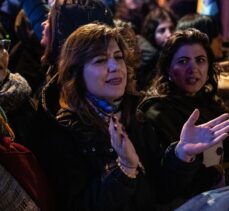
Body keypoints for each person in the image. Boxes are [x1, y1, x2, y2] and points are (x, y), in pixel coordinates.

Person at [30, 23, 229, 210]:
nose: (115, 66)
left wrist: (181, 154)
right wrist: (124, 170)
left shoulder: (134, 117)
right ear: (77, 74)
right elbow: (80, 205)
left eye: (118, 57)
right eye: (100, 60)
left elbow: (163, 190)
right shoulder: (63, 131)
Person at [138, 28, 229, 206]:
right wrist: (183, 156)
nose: (193, 68)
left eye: (200, 60)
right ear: (168, 70)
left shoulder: (211, 103)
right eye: (183, 61)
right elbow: (162, 187)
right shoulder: (155, 114)